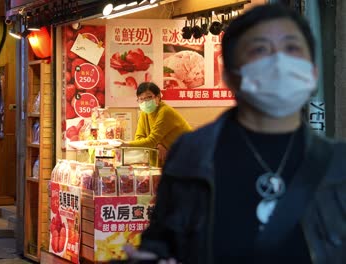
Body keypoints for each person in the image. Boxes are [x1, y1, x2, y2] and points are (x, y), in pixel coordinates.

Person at [125, 3, 346, 264]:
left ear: (313, 72)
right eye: (260, 49)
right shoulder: (190, 156)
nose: (278, 62)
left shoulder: (338, 164)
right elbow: (161, 245)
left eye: (292, 48)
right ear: (229, 75)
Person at [121, 82, 192, 163]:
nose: (145, 102)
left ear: (158, 97)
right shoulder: (144, 112)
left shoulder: (165, 111)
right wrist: (158, 145)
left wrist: (124, 144)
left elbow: (151, 141)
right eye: (141, 99)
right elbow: (139, 138)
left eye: (149, 97)